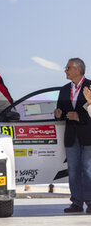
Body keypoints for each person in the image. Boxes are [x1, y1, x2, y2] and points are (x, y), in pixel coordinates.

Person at [54, 58, 91, 213]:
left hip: (88, 134)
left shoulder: (90, 86)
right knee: (73, 170)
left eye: (68, 68)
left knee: (87, 168)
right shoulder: (63, 89)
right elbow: (60, 111)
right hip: (71, 135)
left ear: (78, 69)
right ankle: (76, 202)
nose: (65, 70)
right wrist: (58, 114)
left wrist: (79, 117)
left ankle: (90, 202)